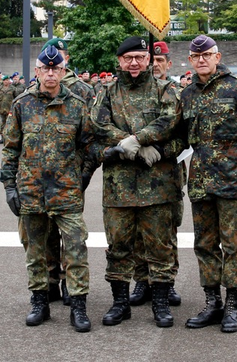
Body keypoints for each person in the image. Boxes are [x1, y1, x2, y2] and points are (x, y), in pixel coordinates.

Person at [179, 35, 237, 334]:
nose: (202, 59)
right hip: (201, 181)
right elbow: (178, 136)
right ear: (190, 60)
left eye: (207, 54)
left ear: (217, 57)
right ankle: (212, 303)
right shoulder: (187, 94)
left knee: (233, 245)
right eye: (196, 56)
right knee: (204, 245)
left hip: (234, 180)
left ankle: (232, 304)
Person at [0, 45, 95, 332]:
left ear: (64, 71)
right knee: (35, 251)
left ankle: (78, 306)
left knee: (76, 248)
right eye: (46, 69)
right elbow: (10, 149)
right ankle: (39, 302)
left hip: (66, 192)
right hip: (31, 191)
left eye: (56, 69)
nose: (51, 73)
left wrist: (81, 176)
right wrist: (9, 186)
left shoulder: (77, 105)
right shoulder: (22, 104)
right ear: (38, 71)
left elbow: (89, 147)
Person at [90, 36, 182, 328]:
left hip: (158, 186)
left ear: (148, 60)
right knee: (118, 247)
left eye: (140, 57)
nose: (134, 63)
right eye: (128, 58)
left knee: (160, 248)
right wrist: (127, 144)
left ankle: (160, 304)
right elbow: (98, 125)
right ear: (119, 61)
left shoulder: (165, 90)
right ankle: (120, 303)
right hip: (119, 187)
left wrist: (139, 140)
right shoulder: (106, 92)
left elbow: (171, 122)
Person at [129, 41, 185, 308]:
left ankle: (167, 281)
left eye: (161, 61)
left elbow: (184, 137)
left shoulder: (177, 94)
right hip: (136, 171)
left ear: (168, 64)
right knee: (138, 231)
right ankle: (142, 279)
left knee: (166, 231)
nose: (156, 65)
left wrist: (161, 152)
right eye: (153, 61)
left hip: (167, 172)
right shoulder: (133, 91)